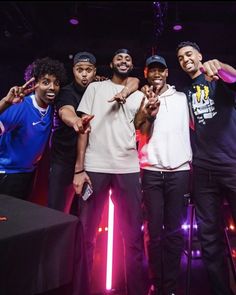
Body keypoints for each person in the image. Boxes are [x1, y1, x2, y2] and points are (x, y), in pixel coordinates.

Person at [73, 48, 159, 295]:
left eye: (128, 58)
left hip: (128, 169)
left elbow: (142, 131)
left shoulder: (139, 95)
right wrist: (79, 169)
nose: (123, 61)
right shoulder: (95, 89)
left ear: (132, 65)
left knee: (132, 236)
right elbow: (83, 129)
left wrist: (150, 117)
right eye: (119, 58)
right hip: (95, 167)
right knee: (86, 236)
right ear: (111, 63)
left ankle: (136, 290)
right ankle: (81, 290)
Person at [176, 41, 236, 295]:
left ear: (200, 55)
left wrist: (220, 66)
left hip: (232, 166)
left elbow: (233, 76)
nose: (185, 59)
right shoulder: (187, 91)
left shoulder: (217, 76)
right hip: (203, 171)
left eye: (189, 54)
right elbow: (193, 124)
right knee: (210, 239)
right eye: (180, 58)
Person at [48, 51, 140, 213]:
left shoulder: (101, 86)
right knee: (58, 210)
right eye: (79, 69)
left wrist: (124, 92)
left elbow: (134, 80)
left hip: (88, 161)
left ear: (95, 71)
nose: (84, 74)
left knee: (81, 211)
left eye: (88, 70)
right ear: (73, 70)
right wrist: (76, 121)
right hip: (65, 160)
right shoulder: (66, 92)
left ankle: (75, 239)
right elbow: (65, 111)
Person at [138, 55, 192, 295]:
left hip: (179, 171)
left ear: (167, 73)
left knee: (174, 230)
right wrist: (150, 111)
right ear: (146, 73)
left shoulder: (182, 98)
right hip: (150, 170)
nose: (157, 74)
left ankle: (170, 285)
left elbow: (199, 122)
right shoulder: (140, 97)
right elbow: (140, 129)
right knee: (154, 231)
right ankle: (156, 282)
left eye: (161, 70)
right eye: (152, 70)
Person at [0, 57, 67, 200]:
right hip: (7, 174)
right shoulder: (21, 105)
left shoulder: (51, 109)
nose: (52, 87)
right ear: (34, 84)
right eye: (45, 82)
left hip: (28, 173)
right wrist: (6, 102)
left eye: (56, 83)